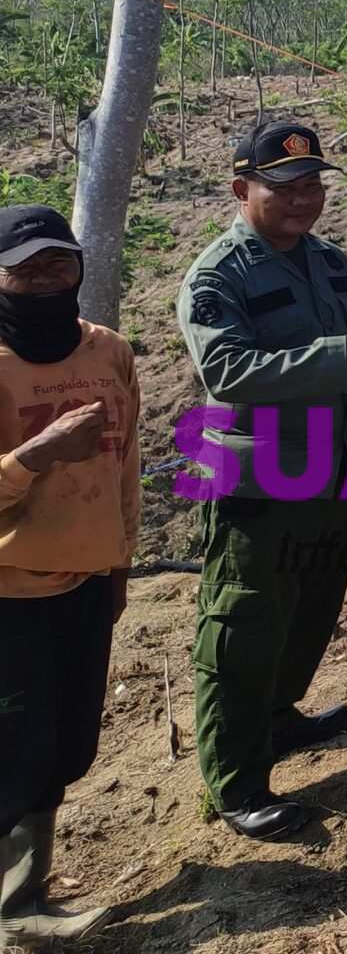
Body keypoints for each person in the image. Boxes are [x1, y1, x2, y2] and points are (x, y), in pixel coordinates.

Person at [178, 121, 347, 839]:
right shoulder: (218, 274)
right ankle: (236, 782)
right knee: (245, 624)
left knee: (311, 608)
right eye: (285, 186)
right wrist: (336, 353)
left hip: (334, 473)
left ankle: (277, 716)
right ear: (243, 189)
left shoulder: (327, 262)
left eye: (314, 184)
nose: (305, 198)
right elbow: (227, 371)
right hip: (260, 483)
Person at [0, 206, 135, 938]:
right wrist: (34, 455)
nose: (47, 277)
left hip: (86, 580)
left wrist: (118, 562)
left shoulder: (107, 350)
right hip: (9, 591)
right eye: (26, 265)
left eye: (60, 263)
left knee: (66, 743)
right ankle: (14, 911)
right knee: (15, 749)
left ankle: (31, 888)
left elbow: (127, 465)